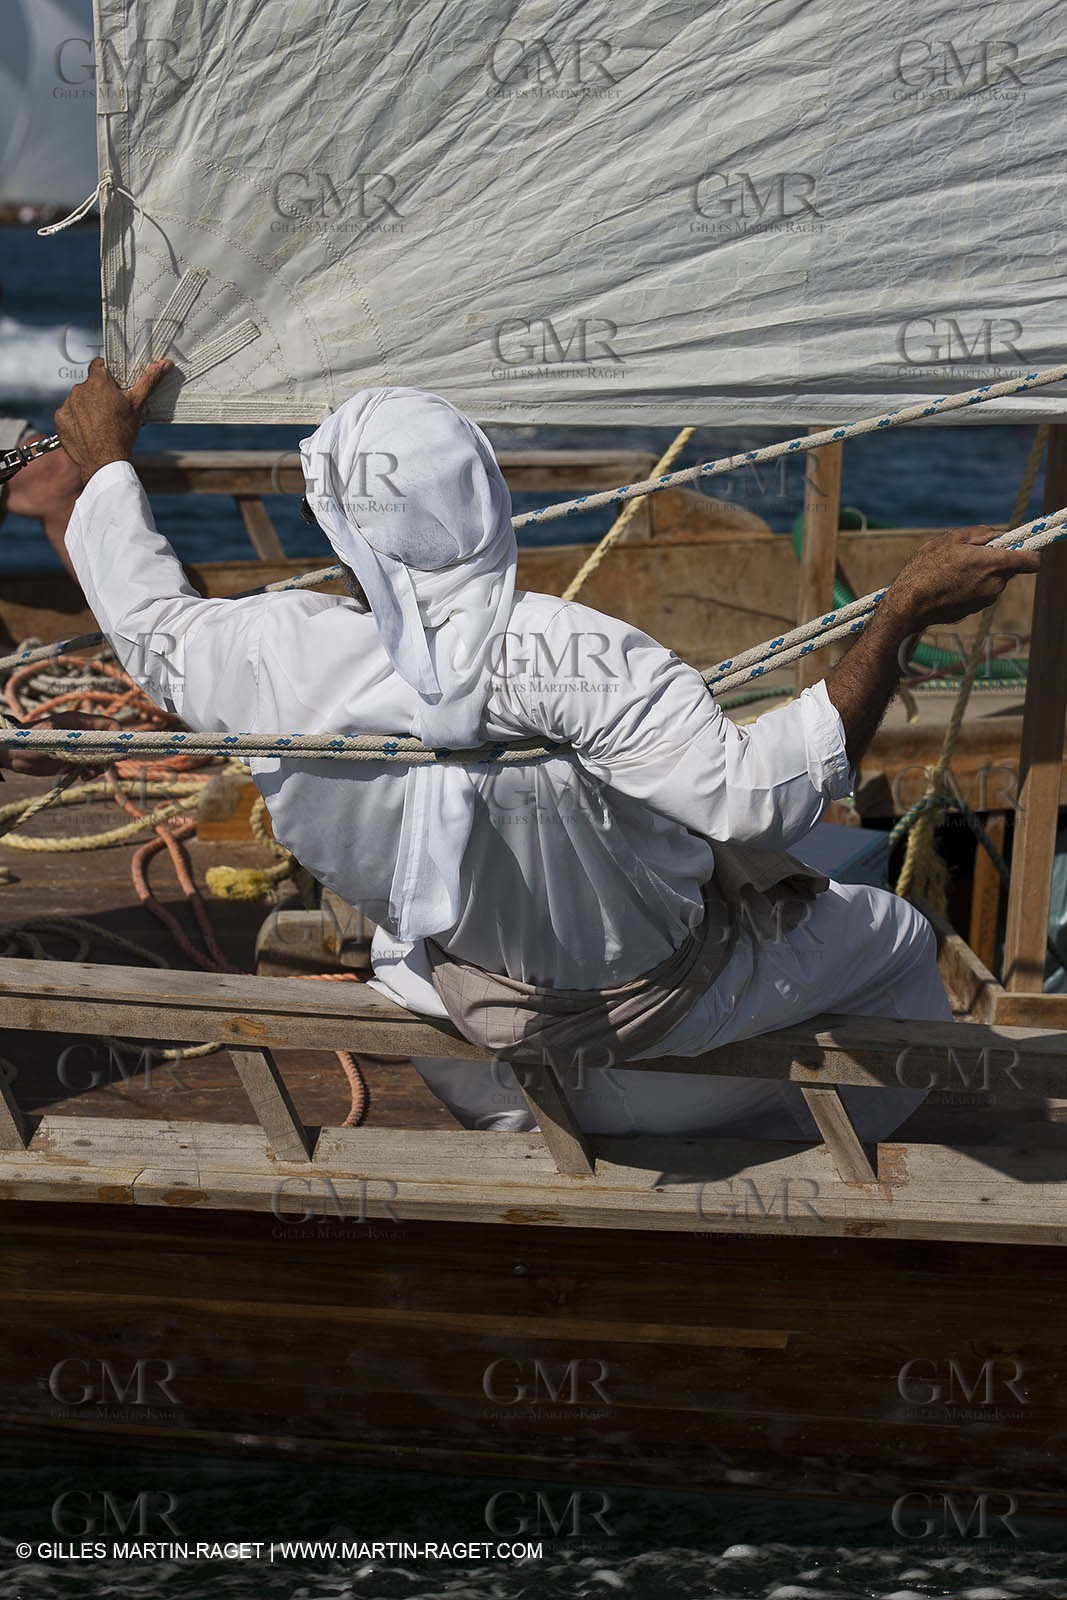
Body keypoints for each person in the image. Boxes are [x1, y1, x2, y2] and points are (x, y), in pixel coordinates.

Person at [53, 359, 1040, 1141]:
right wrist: (897, 615)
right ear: (485, 498)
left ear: (341, 521)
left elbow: (148, 619)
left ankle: (517, 1124)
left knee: (421, 934)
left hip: (467, 1028)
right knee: (902, 942)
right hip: (659, 1025)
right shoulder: (578, 656)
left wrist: (104, 457)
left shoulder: (270, 653)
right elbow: (761, 801)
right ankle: (778, 1146)